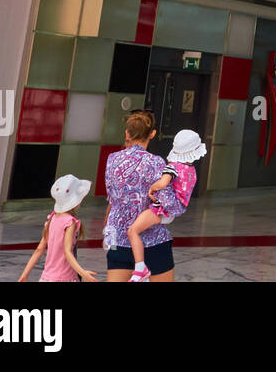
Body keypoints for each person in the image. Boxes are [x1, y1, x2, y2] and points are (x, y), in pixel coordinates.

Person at [103, 109, 176, 282]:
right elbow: (167, 202)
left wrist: (107, 229)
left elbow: (112, 198)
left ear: (127, 133)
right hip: (152, 241)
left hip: (118, 239)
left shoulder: (112, 159)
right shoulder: (156, 162)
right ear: (152, 134)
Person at [128, 128, 205, 281]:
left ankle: (140, 268)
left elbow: (162, 184)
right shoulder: (191, 170)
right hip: (175, 209)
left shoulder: (172, 167)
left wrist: (151, 188)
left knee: (133, 231)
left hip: (161, 209)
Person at [19, 174, 98, 283]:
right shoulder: (70, 222)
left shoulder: (51, 219)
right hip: (66, 278)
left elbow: (39, 250)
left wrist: (24, 275)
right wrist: (83, 274)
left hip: (46, 278)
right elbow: (67, 252)